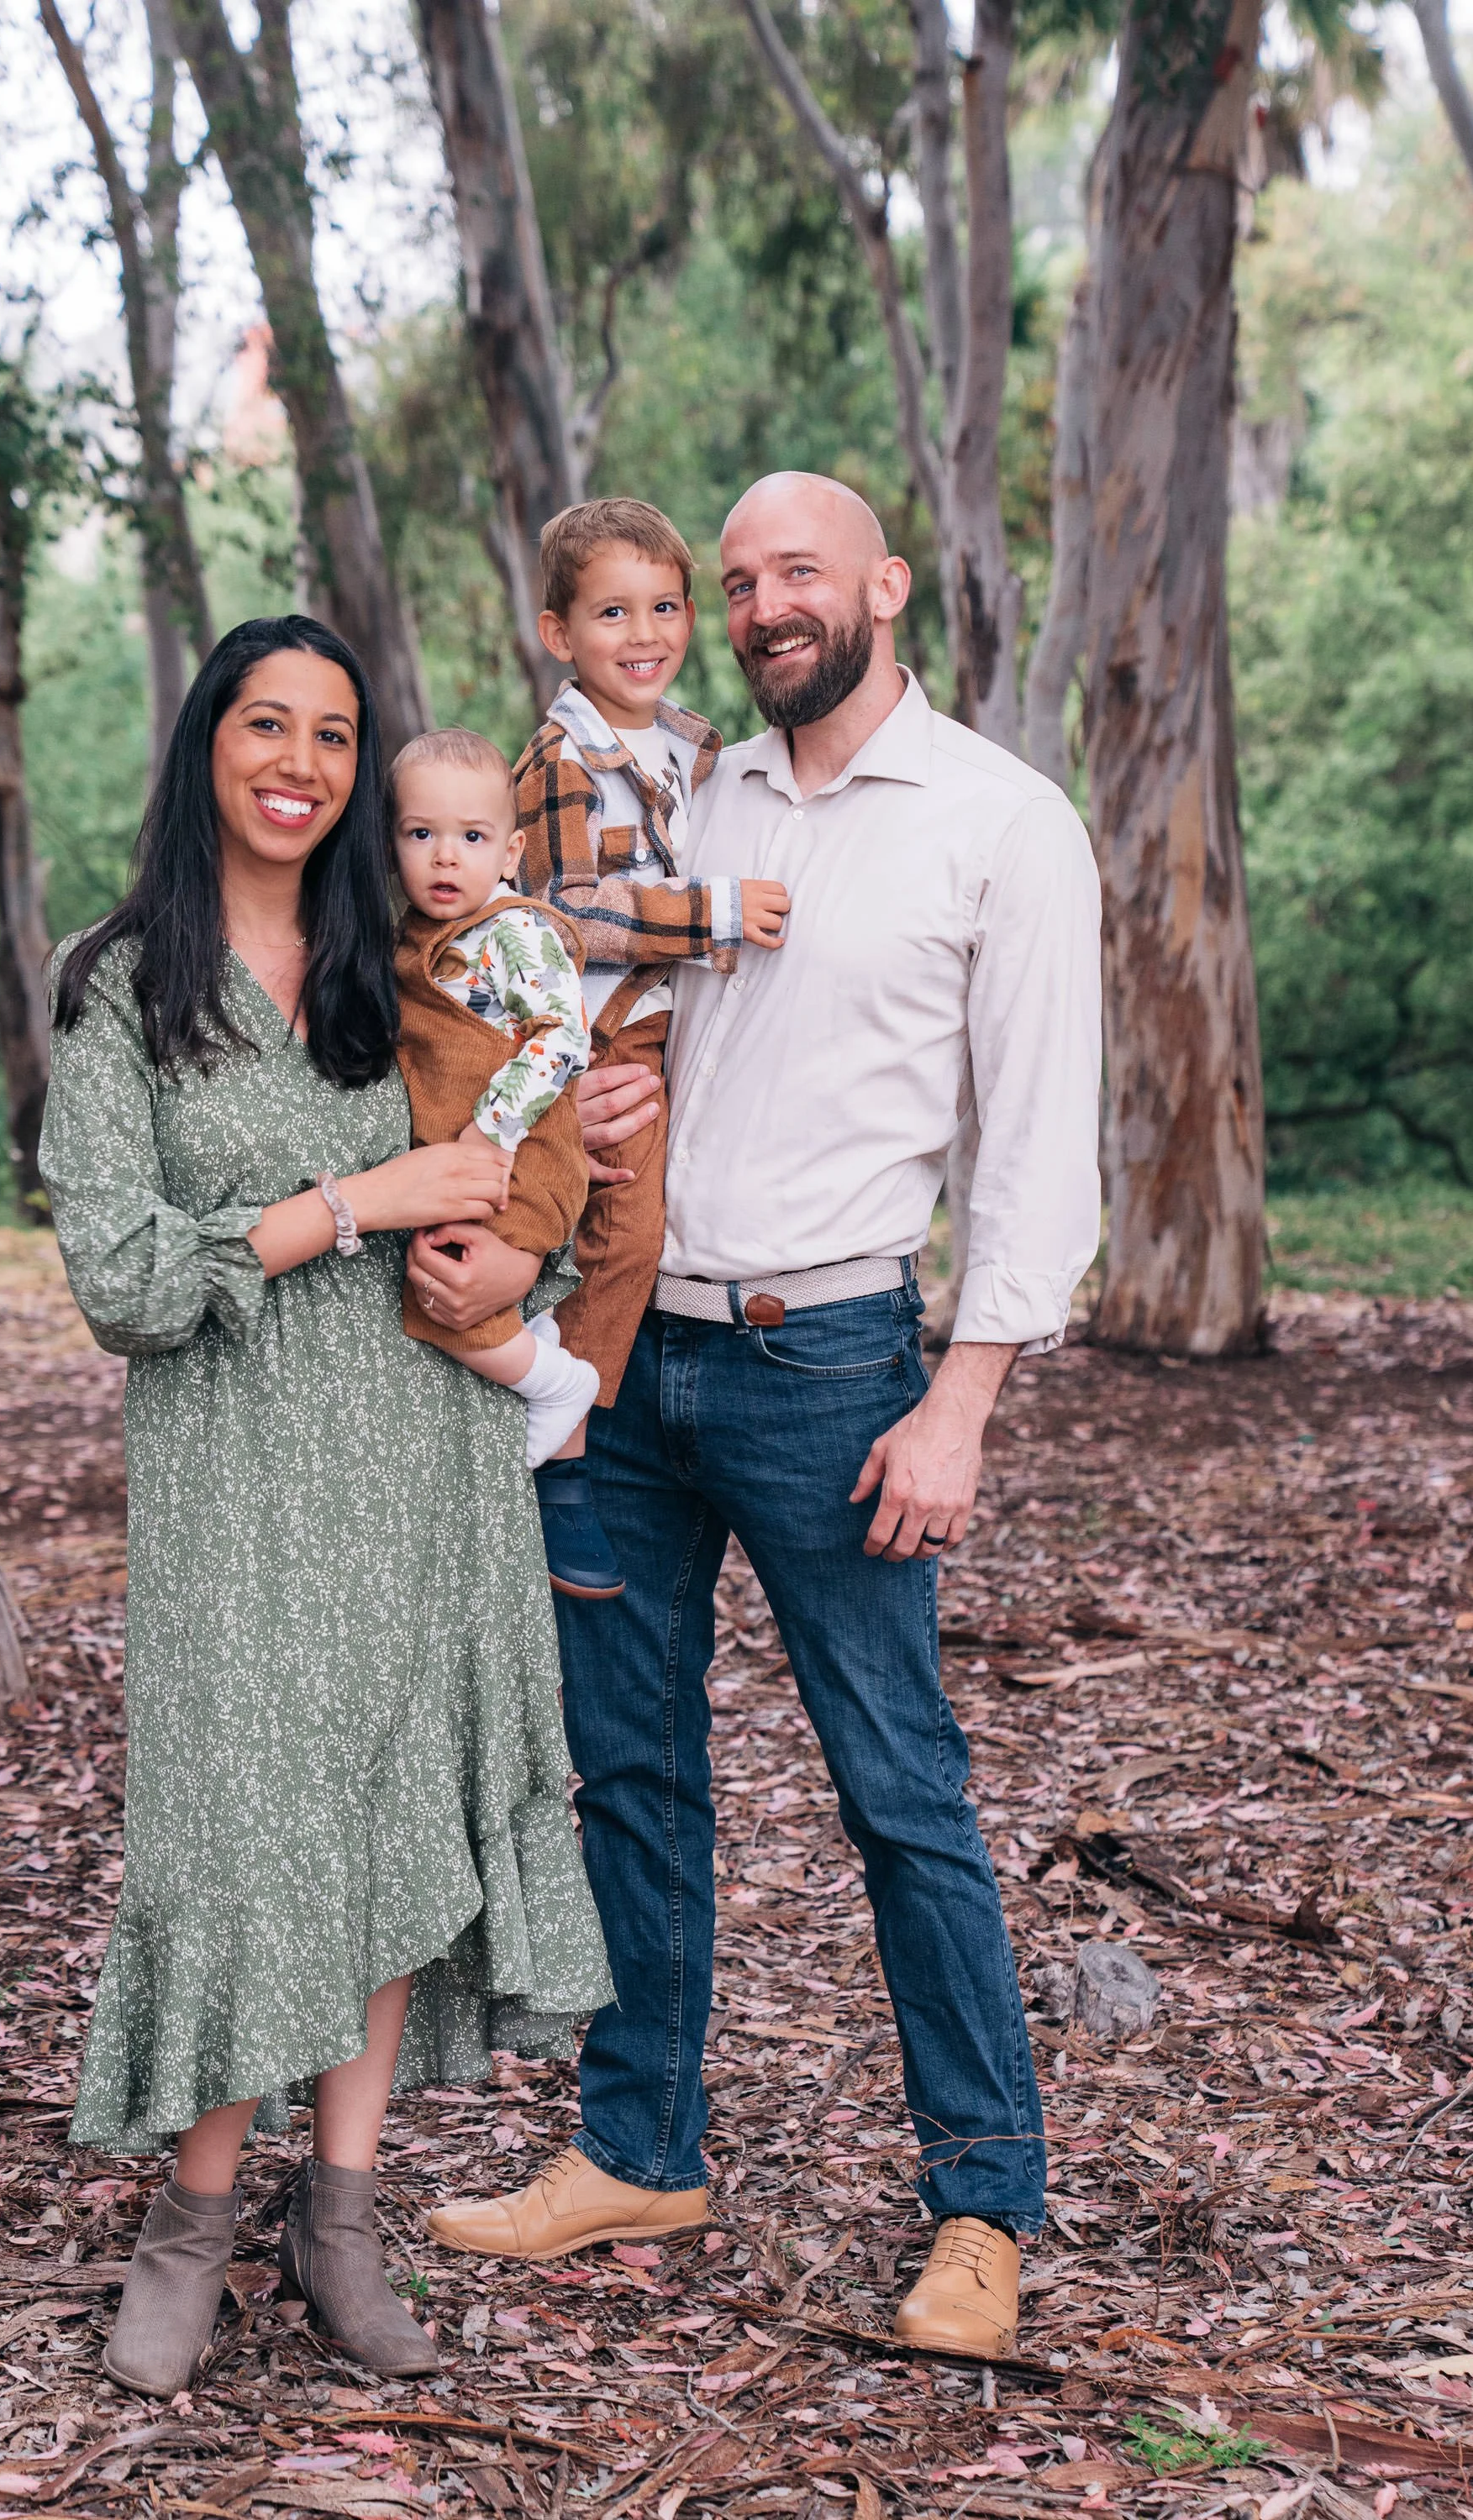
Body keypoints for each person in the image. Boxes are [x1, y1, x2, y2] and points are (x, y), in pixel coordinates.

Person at [418, 475, 1103, 2360]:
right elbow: (618, 1015)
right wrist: (599, 1121)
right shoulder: (688, 790)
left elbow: (1042, 1139)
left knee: (902, 1792)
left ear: (884, 584)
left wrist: (961, 1400)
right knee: (627, 1777)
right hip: (632, 1359)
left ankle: (982, 2199)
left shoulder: (996, 822)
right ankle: (639, 2145)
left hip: (833, 1369)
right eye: (734, 583)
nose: (759, 604)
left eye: (796, 571)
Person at [40, 617, 612, 2394]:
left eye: (336, 736)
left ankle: (341, 2218)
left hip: (419, 1457)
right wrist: (347, 1204)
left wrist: (561, 1170)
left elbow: (536, 1158)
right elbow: (123, 1279)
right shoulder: (122, 981)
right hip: (234, 1477)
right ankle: (189, 2229)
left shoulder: (418, 966)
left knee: (386, 1831)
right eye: (267, 724)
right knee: (234, 1838)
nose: (301, 761)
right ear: (209, 740)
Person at [511, 498, 792, 1599]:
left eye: (665, 606)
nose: (643, 632)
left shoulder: (683, 746)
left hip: (657, 1017)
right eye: (611, 612)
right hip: (593, 1021)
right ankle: (563, 1462)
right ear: (557, 634)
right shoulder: (557, 761)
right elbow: (565, 907)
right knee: (616, 1237)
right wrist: (711, 913)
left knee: (604, 1229)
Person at [391, 727, 598, 1465]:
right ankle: (536, 1364)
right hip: (461, 1158)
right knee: (462, 1280)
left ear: (510, 853)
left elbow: (562, 1039)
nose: (446, 855)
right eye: (422, 833)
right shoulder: (410, 939)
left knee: (447, 1289)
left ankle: (556, 1386)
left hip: (523, 1150)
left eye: (472, 836)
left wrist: (492, 1130)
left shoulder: (514, 931)